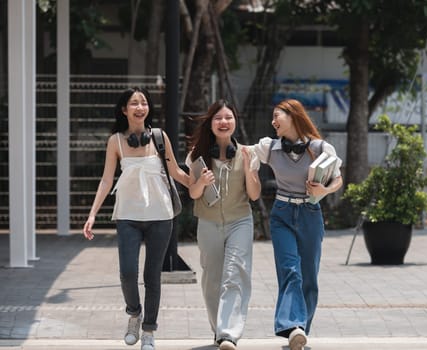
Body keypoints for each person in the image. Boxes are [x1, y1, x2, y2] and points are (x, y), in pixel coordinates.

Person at [82, 87, 189, 350]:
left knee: (152, 276)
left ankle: (149, 331)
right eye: (134, 103)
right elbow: (107, 179)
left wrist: (198, 183)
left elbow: (175, 171)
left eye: (144, 102)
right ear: (124, 109)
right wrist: (93, 213)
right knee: (127, 273)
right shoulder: (116, 141)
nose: (140, 107)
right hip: (128, 216)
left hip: (160, 216)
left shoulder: (159, 137)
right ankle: (134, 313)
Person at [252, 99, 343, 350]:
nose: (273, 122)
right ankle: (293, 327)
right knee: (290, 270)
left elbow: (338, 179)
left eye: (276, 116)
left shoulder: (321, 147)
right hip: (281, 213)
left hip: (310, 213)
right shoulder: (270, 148)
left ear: (293, 115)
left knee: (309, 277)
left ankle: (301, 327)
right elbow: (244, 152)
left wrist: (324, 190)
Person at [186, 99, 261, 350]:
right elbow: (193, 193)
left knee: (235, 275)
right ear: (211, 123)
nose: (223, 122)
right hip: (208, 223)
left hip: (239, 220)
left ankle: (228, 334)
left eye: (228, 117)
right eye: (218, 118)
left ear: (235, 122)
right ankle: (219, 331)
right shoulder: (197, 155)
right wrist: (202, 183)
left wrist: (251, 171)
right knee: (212, 279)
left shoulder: (247, 153)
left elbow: (254, 195)